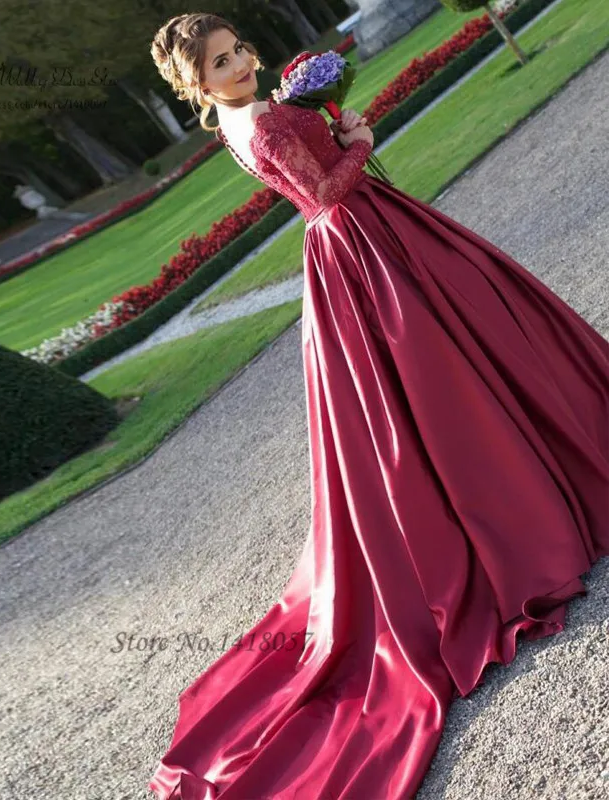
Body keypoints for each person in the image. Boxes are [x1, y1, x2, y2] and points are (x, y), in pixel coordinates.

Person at [148, 12, 609, 800]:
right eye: (222, 63)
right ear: (194, 84)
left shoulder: (237, 121)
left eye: (238, 50)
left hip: (354, 250)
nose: (241, 65)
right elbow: (328, 191)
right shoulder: (261, 122)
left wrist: (325, 123)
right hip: (362, 244)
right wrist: (356, 134)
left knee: (458, 359)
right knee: (452, 370)